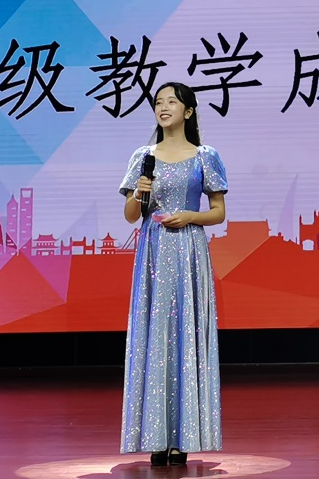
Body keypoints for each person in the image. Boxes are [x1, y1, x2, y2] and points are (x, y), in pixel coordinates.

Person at [119, 81, 227, 467]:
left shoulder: (205, 156)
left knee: (185, 334)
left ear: (189, 111)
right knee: (155, 335)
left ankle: (184, 437)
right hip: (153, 251)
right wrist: (139, 192)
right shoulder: (143, 157)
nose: (163, 108)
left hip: (188, 250)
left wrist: (191, 216)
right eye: (158, 102)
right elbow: (131, 216)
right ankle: (155, 434)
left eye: (171, 102)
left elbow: (219, 212)